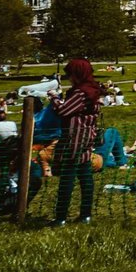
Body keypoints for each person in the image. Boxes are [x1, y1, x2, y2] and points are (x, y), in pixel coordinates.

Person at [50, 58, 103, 226]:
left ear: (77, 74)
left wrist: (54, 98)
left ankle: (60, 218)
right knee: (85, 177)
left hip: (74, 139)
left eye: (70, 74)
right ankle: (85, 215)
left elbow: (64, 110)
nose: (69, 78)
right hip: (86, 138)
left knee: (67, 179)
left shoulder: (81, 92)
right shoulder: (93, 90)